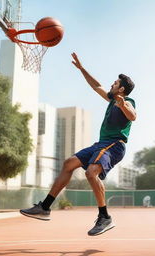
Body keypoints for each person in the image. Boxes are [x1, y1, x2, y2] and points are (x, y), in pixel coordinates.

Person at [20, 52, 136, 236]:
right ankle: (45, 207)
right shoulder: (112, 99)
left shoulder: (127, 102)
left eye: (115, 83)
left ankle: (104, 217)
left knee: (91, 172)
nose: (112, 84)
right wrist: (82, 69)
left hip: (115, 145)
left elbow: (133, 116)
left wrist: (122, 105)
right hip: (101, 144)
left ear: (121, 89)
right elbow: (96, 86)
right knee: (69, 164)